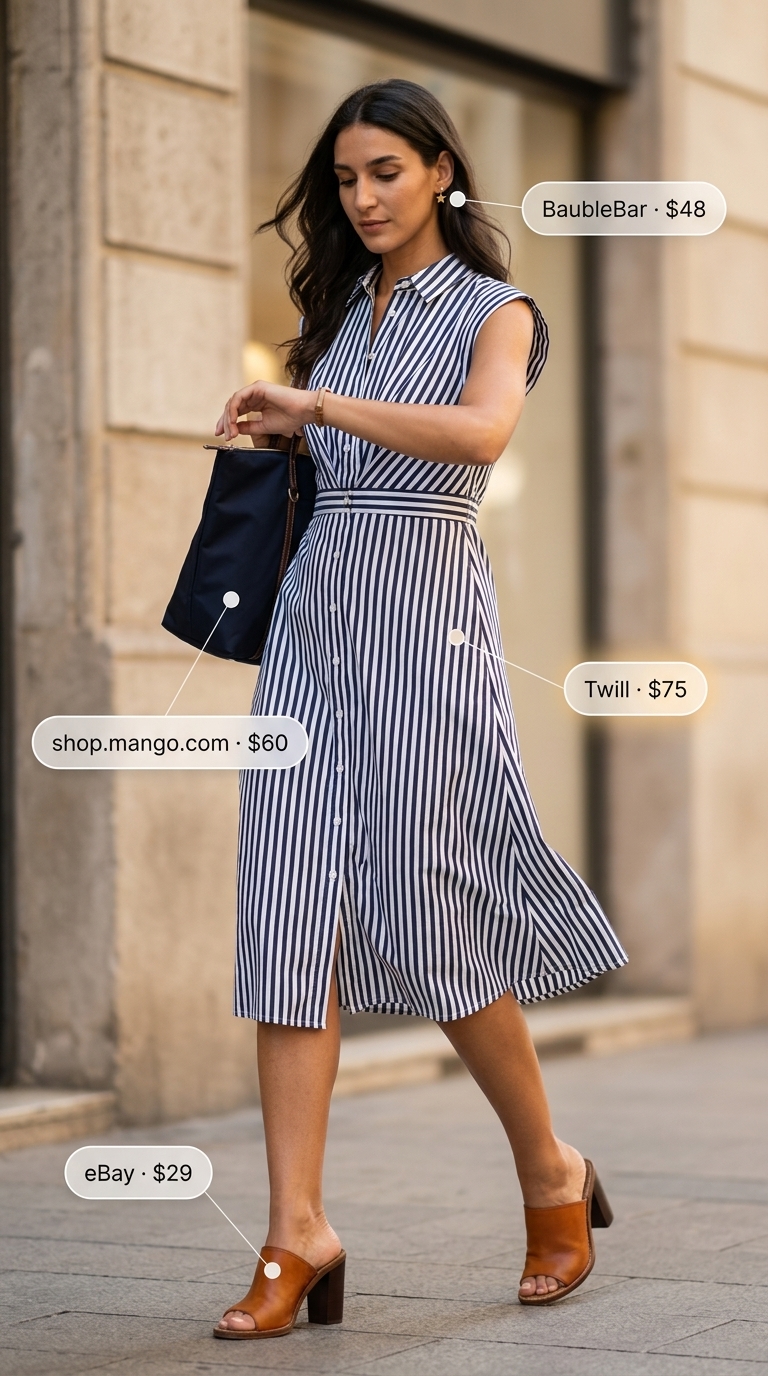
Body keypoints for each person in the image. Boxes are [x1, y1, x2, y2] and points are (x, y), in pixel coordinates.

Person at [212, 79, 627, 1340]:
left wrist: (320, 404)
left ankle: (551, 1168)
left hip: (426, 627)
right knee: (284, 909)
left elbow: (485, 430)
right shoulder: (341, 304)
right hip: (314, 624)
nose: (363, 198)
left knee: (432, 914)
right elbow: (327, 449)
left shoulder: (497, 307)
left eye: (385, 171)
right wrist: (270, 430)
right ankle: (298, 1233)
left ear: (442, 168)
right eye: (345, 180)